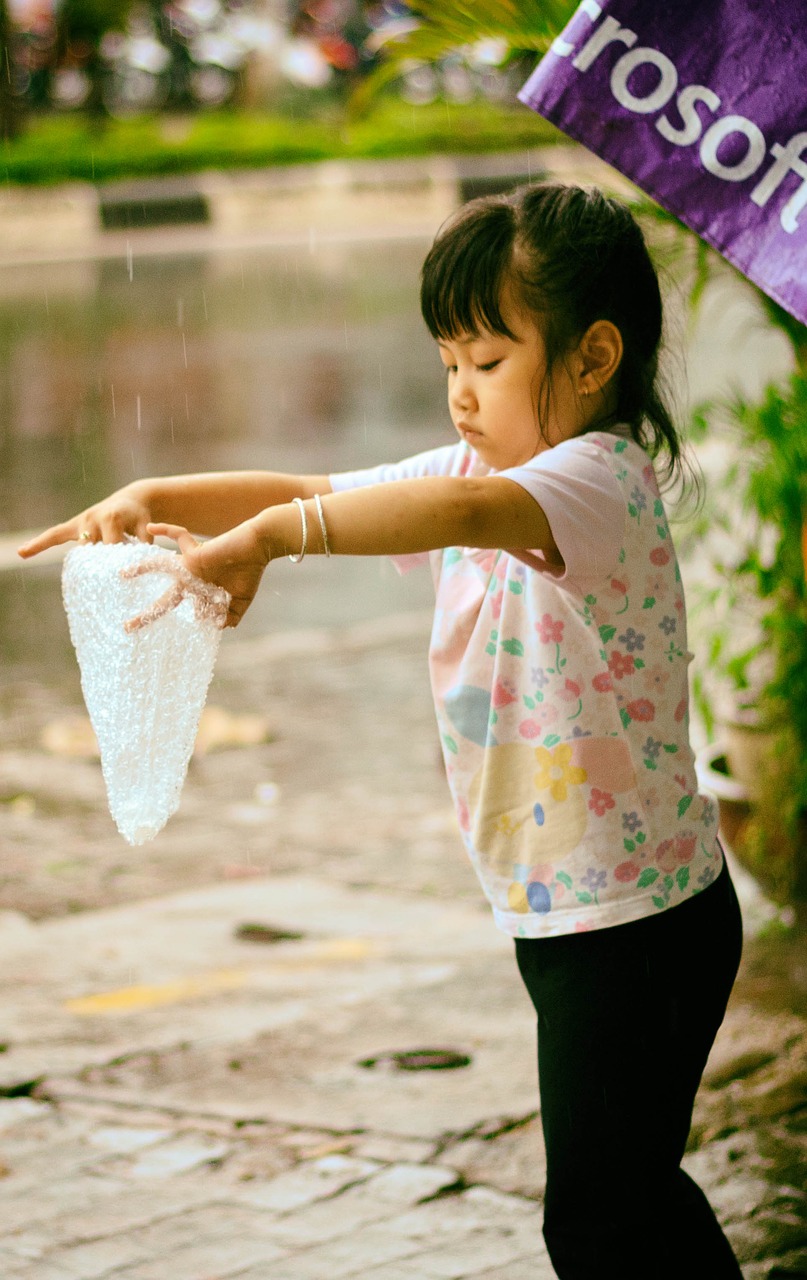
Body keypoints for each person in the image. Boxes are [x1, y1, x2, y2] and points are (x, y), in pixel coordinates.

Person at [19, 181, 744, 1279]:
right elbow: (318, 483)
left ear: (593, 359)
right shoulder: (483, 465)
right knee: (624, 1197)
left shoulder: (596, 479)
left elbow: (438, 517)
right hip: (581, 914)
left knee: (603, 1215)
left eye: (488, 363)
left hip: (638, 925)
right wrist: (161, 489)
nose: (458, 393)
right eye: (447, 361)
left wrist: (271, 538)